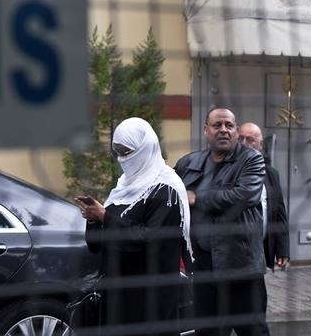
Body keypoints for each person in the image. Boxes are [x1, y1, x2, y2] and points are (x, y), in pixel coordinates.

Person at [75, 117, 193, 336]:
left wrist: (104, 216)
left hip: (149, 299)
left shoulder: (167, 189)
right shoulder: (123, 187)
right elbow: (96, 244)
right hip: (117, 296)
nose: (122, 159)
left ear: (145, 148)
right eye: (118, 152)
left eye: (127, 152)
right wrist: (92, 219)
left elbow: (150, 240)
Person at [174, 108, 268, 336]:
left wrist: (197, 198)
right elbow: (170, 192)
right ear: (206, 131)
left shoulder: (251, 159)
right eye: (217, 125)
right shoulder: (189, 162)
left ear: (236, 131)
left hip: (240, 266)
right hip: (204, 266)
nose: (224, 130)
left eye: (229, 125)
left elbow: (244, 195)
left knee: (253, 330)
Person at [238, 122, 290, 271]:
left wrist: (283, 249)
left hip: (259, 250)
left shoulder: (271, 174)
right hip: (232, 253)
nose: (244, 143)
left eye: (250, 140)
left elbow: (280, 213)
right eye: (240, 139)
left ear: (260, 145)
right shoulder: (225, 170)